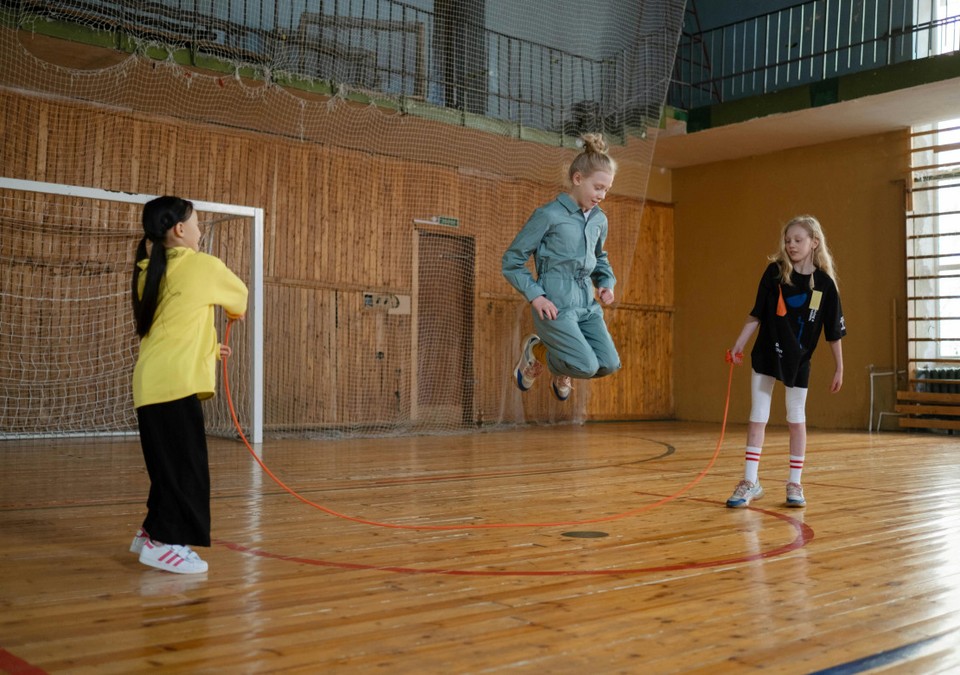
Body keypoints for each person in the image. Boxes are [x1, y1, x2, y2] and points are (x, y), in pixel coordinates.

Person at [128, 196, 248, 574]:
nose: (200, 230)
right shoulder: (202, 266)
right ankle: (165, 545)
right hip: (176, 386)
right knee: (187, 472)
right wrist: (230, 311)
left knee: (169, 467)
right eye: (197, 223)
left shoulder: (148, 271)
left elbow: (174, 326)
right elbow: (240, 299)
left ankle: (150, 534)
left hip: (151, 386)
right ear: (180, 230)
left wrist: (209, 347)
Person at [726, 215, 845, 509]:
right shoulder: (774, 273)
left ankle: (795, 483)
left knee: (796, 419)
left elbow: (833, 332)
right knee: (758, 416)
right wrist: (739, 343)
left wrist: (839, 366)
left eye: (798, 240)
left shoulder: (825, 286)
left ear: (814, 243)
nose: (791, 245)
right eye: (788, 240)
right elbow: (757, 313)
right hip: (766, 354)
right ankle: (750, 482)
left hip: (799, 360)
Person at [502, 132, 621, 401]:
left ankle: (559, 360)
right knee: (586, 365)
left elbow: (600, 259)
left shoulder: (600, 220)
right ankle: (538, 352)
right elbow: (512, 261)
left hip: (587, 306)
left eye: (607, 189)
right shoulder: (548, 215)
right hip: (555, 306)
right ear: (578, 179)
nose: (602, 195)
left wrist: (605, 283)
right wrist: (537, 296)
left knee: (609, 364)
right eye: (598, 187)